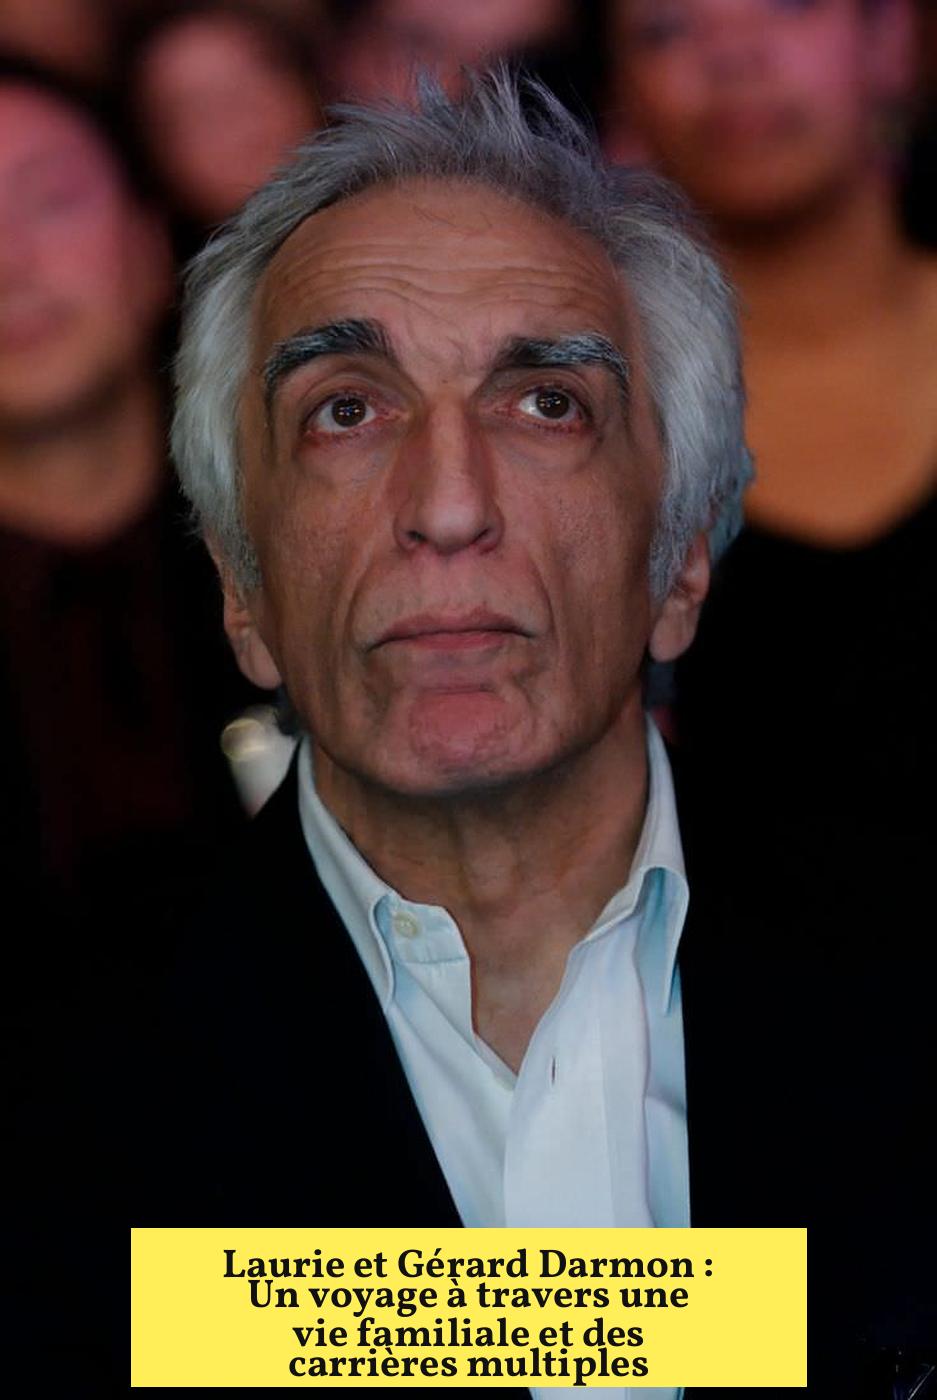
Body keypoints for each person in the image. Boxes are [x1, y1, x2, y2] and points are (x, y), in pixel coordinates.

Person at [151, 71, 928, 1398]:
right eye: (346, 409)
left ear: (681, 559)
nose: (449, 506)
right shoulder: (53, 1084)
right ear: (241, 588)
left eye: (546, 403)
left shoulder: (904, 959)